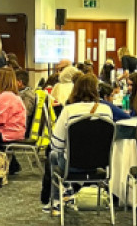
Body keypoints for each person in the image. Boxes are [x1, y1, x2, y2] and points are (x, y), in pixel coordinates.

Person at [44, 73, 113, 215]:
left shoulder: (68, 110)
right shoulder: (106, 111)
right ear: (96, 90)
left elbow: (56, 145)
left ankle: (57, 201)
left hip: (72, 166)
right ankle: (66, 192)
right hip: (99, 165)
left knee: (52, 155)